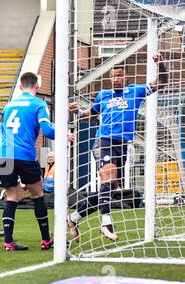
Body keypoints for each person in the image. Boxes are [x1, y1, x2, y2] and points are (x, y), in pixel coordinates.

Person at [67, 53, 168, 242]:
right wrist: (78, 111)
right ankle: (106, 223)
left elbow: (161, 82)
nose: (116, 80)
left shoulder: (136, 91)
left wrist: (161, 64)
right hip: (103, 141)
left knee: (110, 188)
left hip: (122, 145)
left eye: (120, 76)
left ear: (125, 78)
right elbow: (90, 113)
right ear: (110, 78)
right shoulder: (103, 95)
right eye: (113, 77)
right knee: (109, 177)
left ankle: (73, 218)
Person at [0, 72, 74, 251]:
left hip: (5, 153)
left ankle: (8, 242)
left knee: (11, 197)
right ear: (37, 86)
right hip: (24, 154)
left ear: (20, 86)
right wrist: (64, 134)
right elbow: (47, 130)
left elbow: (2, 131)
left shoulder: (8, 105)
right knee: (38, 195)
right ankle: (46, 241)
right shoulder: (39, 104)